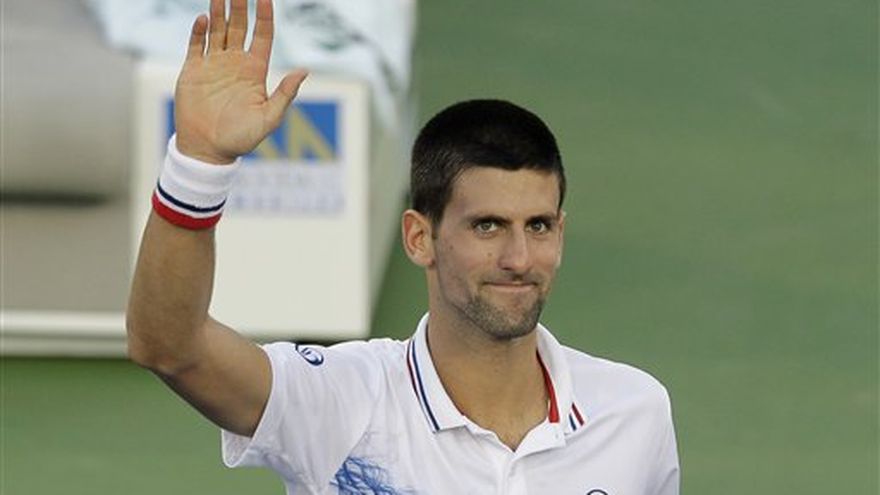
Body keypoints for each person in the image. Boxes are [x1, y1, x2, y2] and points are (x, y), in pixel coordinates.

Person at [127, 0, 680, 493]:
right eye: (487, 226)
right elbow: (170, 347)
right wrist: (199, 164)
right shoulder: (338, 402)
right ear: (420, 237)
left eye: (537, 226)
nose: (519, 259)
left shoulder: (635, 414)